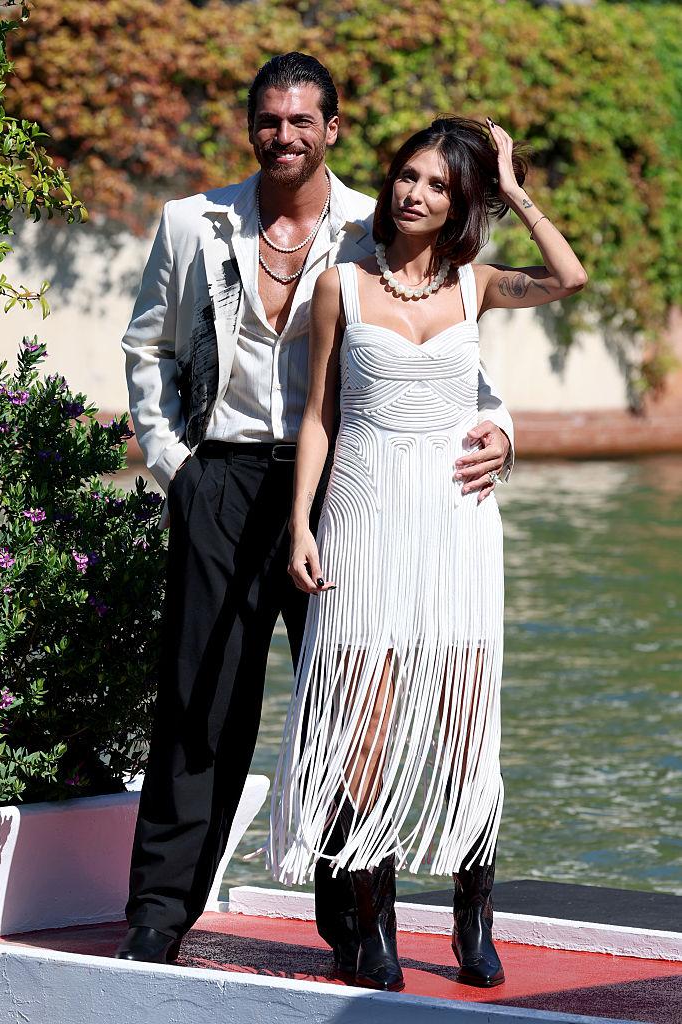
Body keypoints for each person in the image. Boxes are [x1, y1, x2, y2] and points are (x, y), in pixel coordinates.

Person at [116, 54, 516, 967]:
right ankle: (159, 914)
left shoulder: (376, 225)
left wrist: (500, 428)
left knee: (347, 705)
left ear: (332, 129)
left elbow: (446, 356)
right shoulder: (191, 222)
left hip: (344, 493)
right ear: (250, 126)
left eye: (302, 120)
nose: (284, 135)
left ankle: (355, 927)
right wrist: (177, 468)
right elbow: (147, 347)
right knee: (200, 703)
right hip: (219, 481)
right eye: (269, 119)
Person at [272, 115, 587, 991]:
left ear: (460, 203)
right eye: (408, 176)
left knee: (462, 724)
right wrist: (301, 524)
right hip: (363, 516)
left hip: (456, 520)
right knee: (363, 727)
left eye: (439, 185)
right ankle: (372, 927)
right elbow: (318, 416)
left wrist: (513, 188)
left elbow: (569, 277)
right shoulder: (338, 285)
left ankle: (470, 919)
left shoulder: (474, 285)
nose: (415, 193)